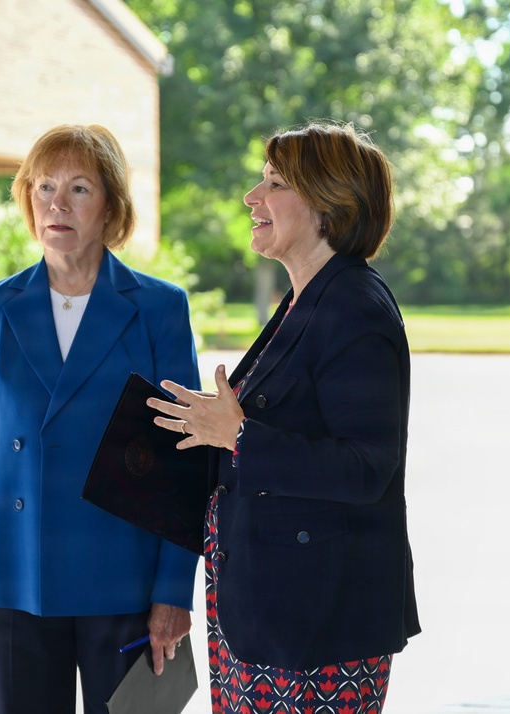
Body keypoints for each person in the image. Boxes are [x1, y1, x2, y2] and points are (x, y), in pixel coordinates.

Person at [148, 121, 421, 713]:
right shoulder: (305, 297)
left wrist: (238, 434)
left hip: (318, 625)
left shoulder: (355, 308)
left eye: (273, 182)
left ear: (328, 203)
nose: (252, 196)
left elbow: (365, 468)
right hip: (267, 607)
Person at [0, 124, 201, 713]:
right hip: (12, 577)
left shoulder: (160, 308)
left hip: (126, 578)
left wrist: (171, 591)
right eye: (44, 187)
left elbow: (184, 456)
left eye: (80, 189)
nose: (57, 203)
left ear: (111, 205)